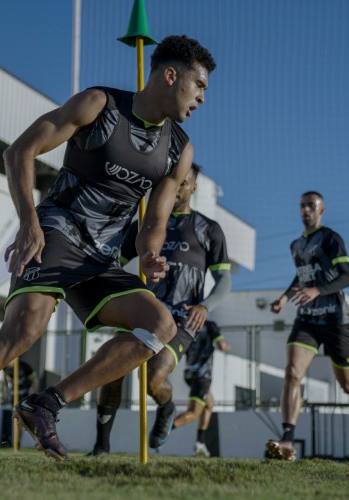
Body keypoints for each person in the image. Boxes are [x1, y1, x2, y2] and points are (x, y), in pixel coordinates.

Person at [0, 35, 216, 461]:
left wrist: (149, 252)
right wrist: (29, 223)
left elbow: (155, 222)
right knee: (22, 333)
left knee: (160, 326)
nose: (201, 97)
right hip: (56, 234)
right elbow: (20, 152)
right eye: (200, 86)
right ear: (171, 74)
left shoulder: (179, 148)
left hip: (101, 259)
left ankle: (45, 404)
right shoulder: (98, 105)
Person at [88, 163, 232, 456]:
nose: (177, 188)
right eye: (173, 182)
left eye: (183, 183)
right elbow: (113, 260)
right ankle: (101, 447)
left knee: (153, 378)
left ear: (194, 187)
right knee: (112, 369)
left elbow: (225, 279)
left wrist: (205, 305)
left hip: (183, 319)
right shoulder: (146, 224)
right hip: (143, 311)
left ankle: (166, 408)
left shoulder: (209, 230)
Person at [265, 191, 349, 462]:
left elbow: (347, 277)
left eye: (311, 205)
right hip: (307, 319)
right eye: (302, 206)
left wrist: (318, 290)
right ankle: (287, 441)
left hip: (335, 321)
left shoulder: (331, 239)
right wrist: (284, 298)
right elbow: (300, 277)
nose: (305, 210)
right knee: (292, 373)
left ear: (322, 210)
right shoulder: (295, 245)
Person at [171, 320, 231, 457]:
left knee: (210, 404)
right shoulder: (210, 325)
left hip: (189, 373)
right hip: (203, 376)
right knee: (193, 413)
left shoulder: (187, 324)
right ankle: (163, 430)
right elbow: (221, 345)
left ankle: (200, 442)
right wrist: (226, 346)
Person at [0, 358, 38, 447]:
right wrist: (7, 394)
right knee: (18, 421)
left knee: (24, 422)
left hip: (25, 398)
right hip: (14, 399)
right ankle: (16, 444)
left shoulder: (25, 367)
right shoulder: (5, 368)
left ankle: (19, 443)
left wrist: (32, 395)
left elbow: (35, 380)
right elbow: (6, 381)